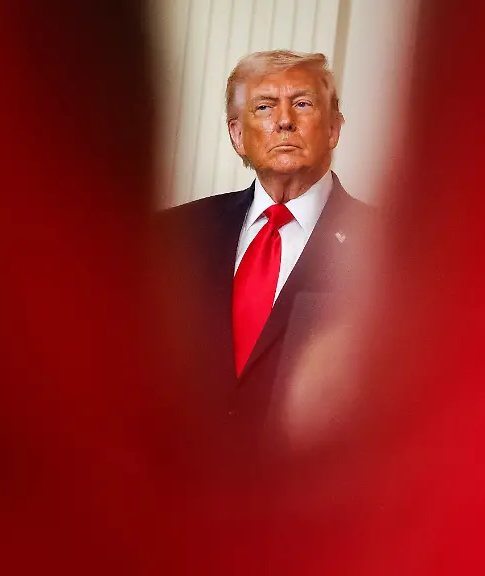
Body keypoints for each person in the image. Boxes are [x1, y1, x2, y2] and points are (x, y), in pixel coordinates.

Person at [152, 50, 376, 468]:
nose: (284, 120)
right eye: (264, 107)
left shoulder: (386, 249)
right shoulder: (172, 236)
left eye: (303, 103)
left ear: (333, 129)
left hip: (312, 511)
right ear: (237, 135)